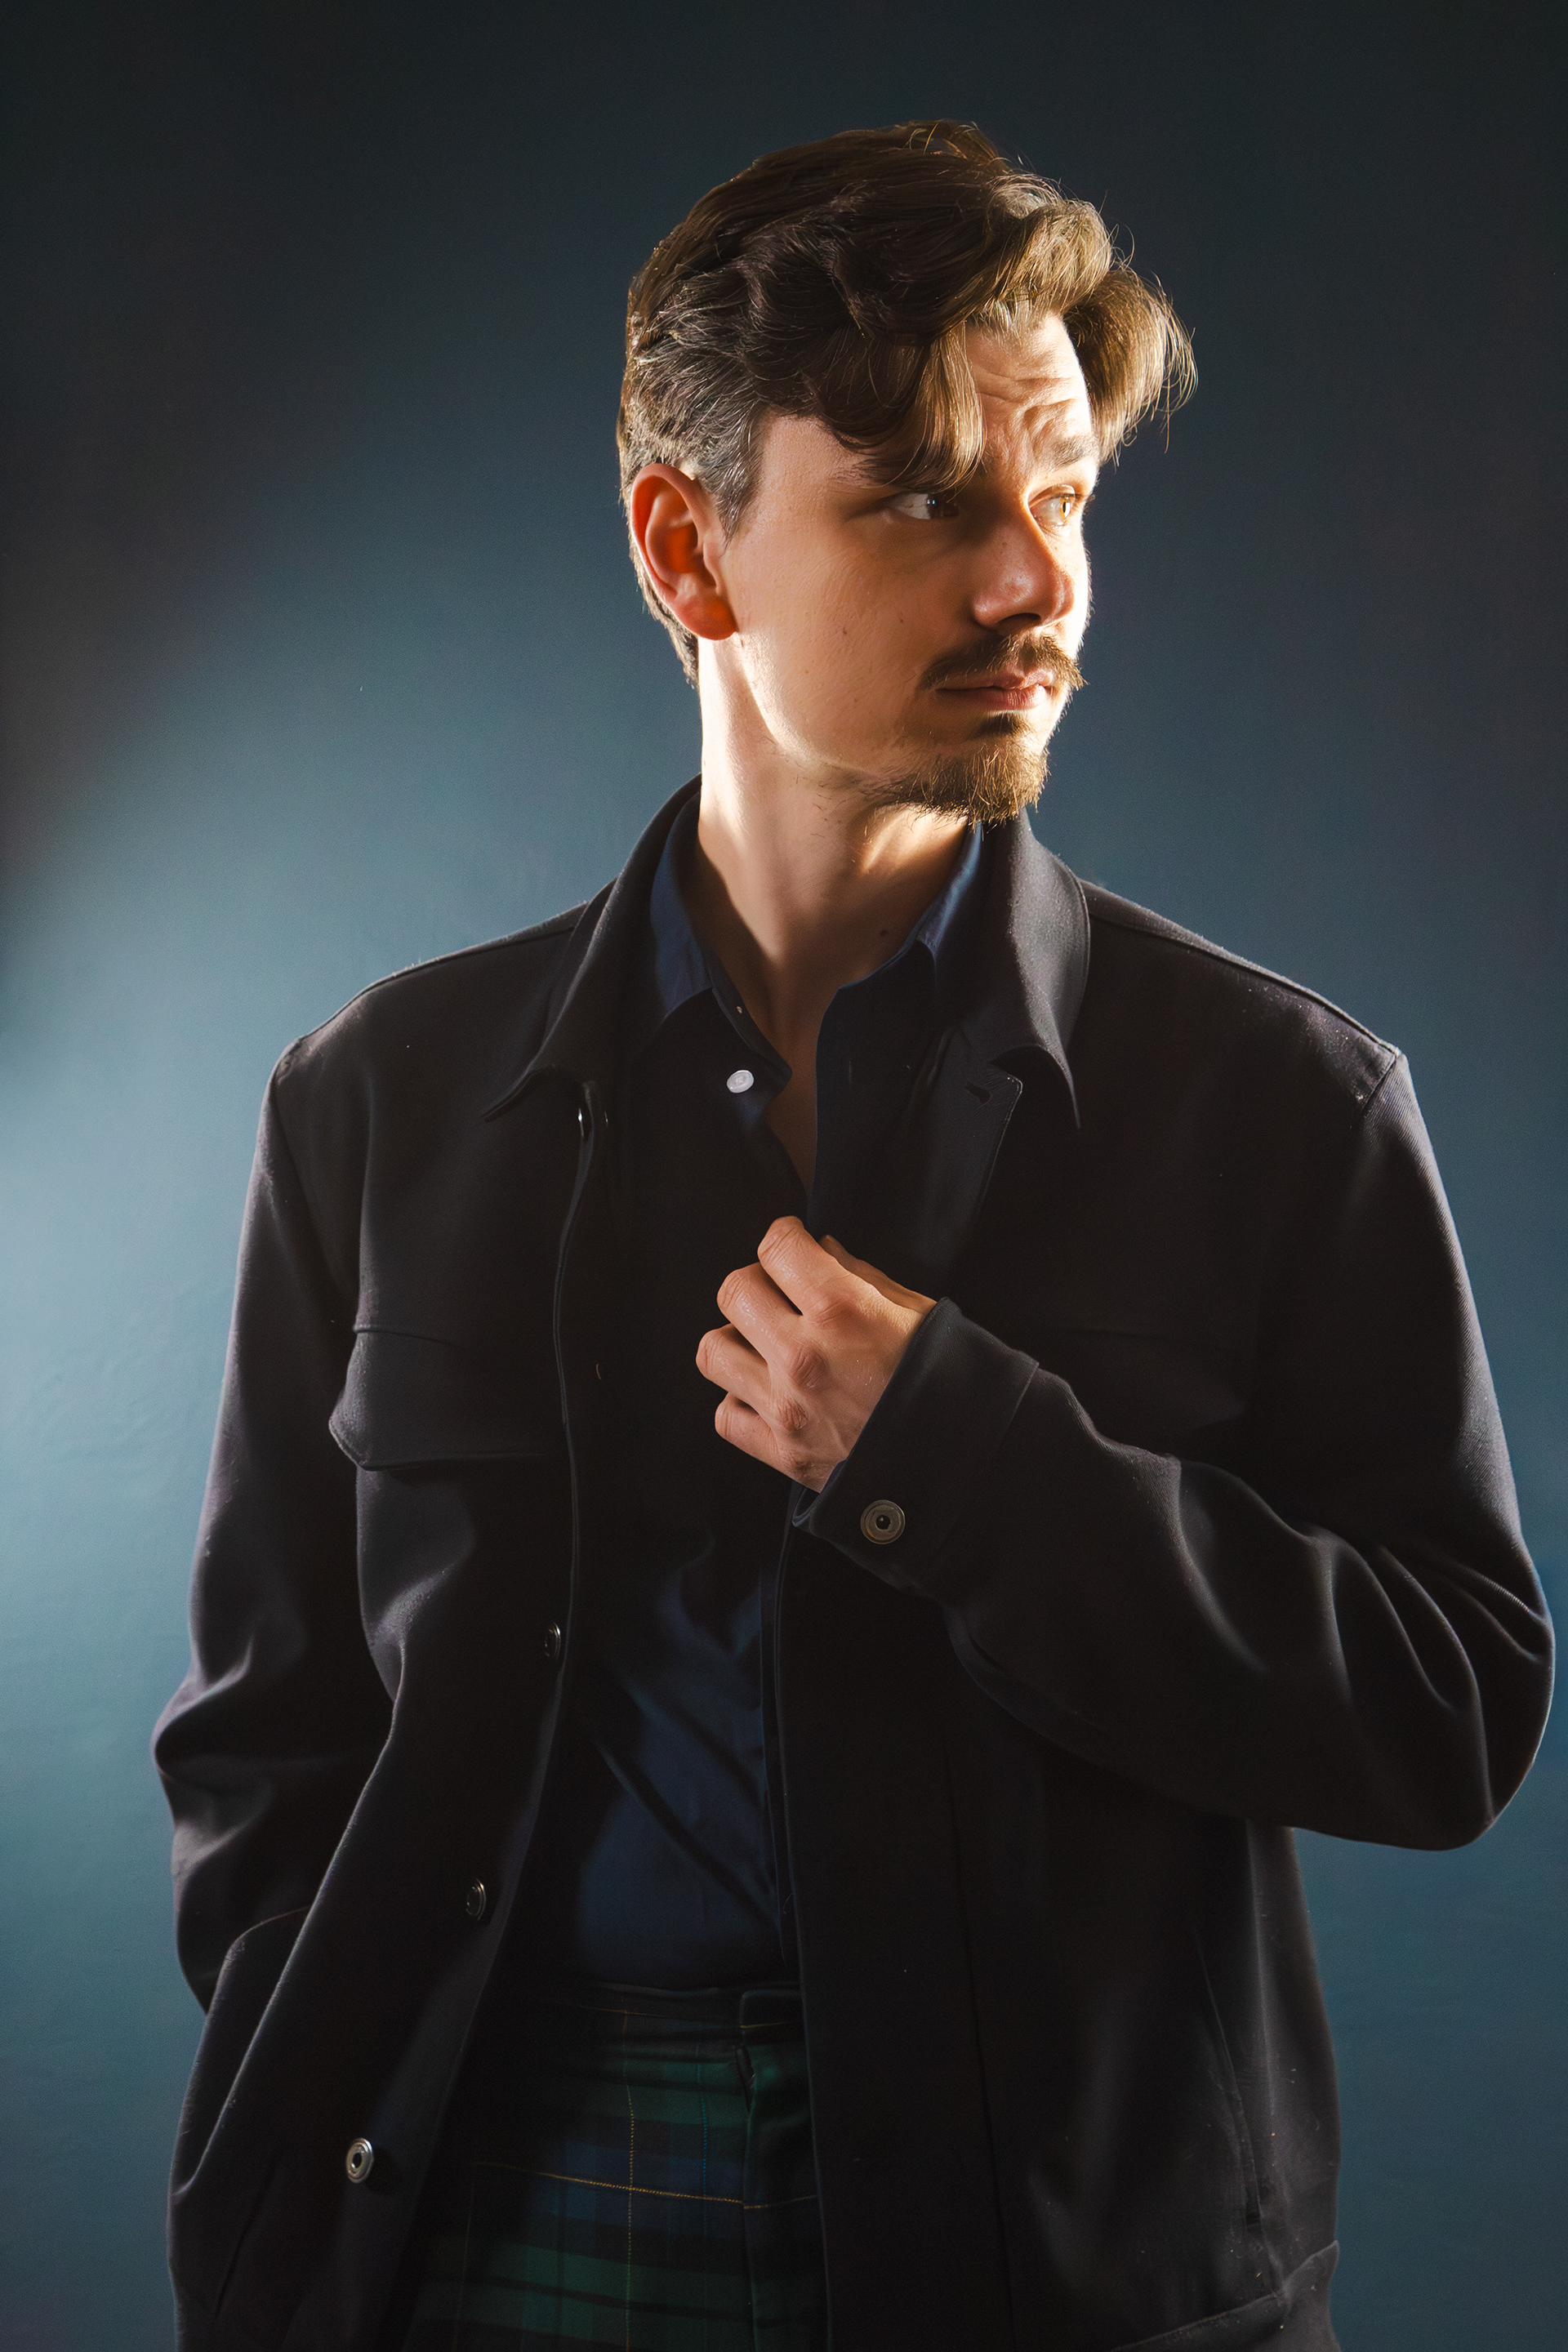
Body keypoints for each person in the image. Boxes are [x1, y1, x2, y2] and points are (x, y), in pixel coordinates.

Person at [154, 122, 1552, 2352]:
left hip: (1052, 2264)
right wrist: (309, 2088)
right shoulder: (378, 1101)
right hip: (480, 2222)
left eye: (1063, 495)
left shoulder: (1288, 1103)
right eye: (923, 503)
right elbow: (265, 1741)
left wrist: (976, 1465)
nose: (1034, 584)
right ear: (685, 550)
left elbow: (1452, 1710)